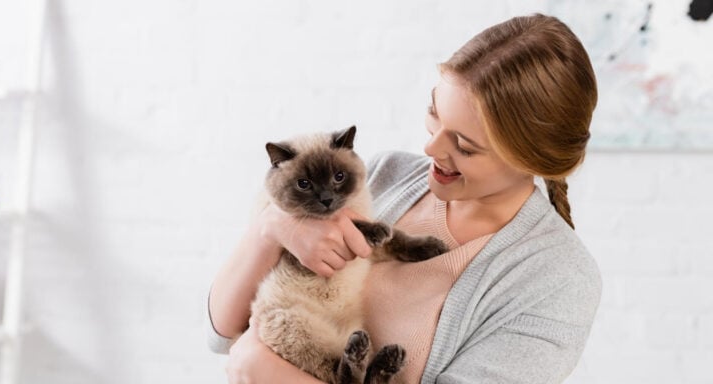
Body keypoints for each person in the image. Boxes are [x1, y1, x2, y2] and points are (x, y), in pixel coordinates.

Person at [207, 13, 601, 384]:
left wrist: (260, 368)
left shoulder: (559, 280)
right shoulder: (385, 174)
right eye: (434, 112)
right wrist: (273, 227)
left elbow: (244, 360)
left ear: (530, 159)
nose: (431, 148)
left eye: (464, 146)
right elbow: (222, 333)